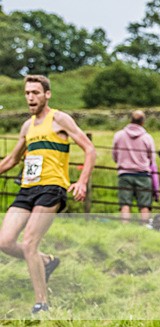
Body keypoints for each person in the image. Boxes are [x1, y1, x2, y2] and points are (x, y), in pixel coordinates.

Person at [0, 74, 96, 313]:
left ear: (47, 94)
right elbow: (12, 159)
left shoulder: (59, 119)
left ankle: (42, 303)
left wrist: (82, 182)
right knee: (5, 241)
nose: (30, 97)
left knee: (30, 242)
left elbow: (89, 149)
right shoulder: (27, 126)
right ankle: (46, 261)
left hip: (52, 188)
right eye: (27, 93)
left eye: (35, 92)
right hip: (27, 189)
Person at [112, 110, 158, 224]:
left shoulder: (119, 135)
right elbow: (152, 158)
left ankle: (125, 226)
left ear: (130, 120)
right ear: (143, 122)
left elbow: (114, 155)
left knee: (125, 204)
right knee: (144, 205)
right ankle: (145, 227)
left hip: (125, 173)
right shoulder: (147, 138)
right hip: (143, 174)